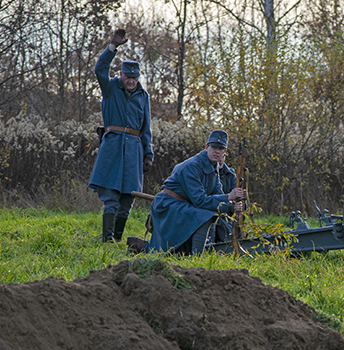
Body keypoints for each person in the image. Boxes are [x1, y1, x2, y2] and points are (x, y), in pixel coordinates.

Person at [128, 130, 246, 255]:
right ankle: (196, 257)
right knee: (204, 215)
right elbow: (200, 200)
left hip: (185, 206)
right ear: (206, 147)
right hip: (169, 205)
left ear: (224, 151)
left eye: (221, 148)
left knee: (177, 252)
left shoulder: (214, 167)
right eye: (214, 147)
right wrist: (228, 196)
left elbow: (216, 194)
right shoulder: (192, 166)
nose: (217, 151)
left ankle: (141, 245)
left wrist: (231, 206)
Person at [88, 29, 154, 242]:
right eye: (128, 77)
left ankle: (116, 238)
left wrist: (148, 154)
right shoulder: (110, 88)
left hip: (134, 150)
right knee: (111, 196)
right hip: (113, 147)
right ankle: (106, 239)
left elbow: (146, 128)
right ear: (121, 75)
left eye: (135, 78)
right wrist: (112, 48)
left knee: (128, 197)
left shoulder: (143, 97)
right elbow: (100, 69)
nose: (131, 81)